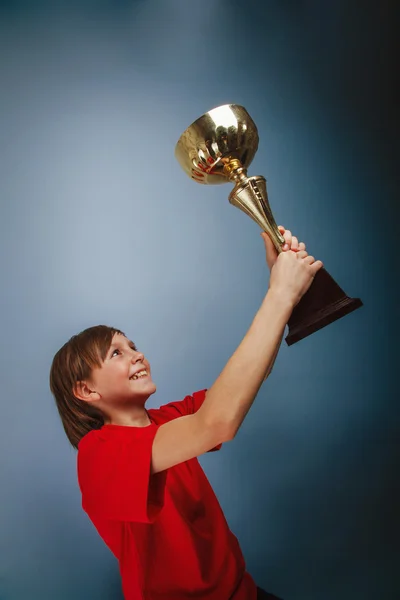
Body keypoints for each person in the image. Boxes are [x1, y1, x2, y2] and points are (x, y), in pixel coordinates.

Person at [49, 226, 323, 600]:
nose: (137, 354)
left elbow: (241, 385)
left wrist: (288, 296)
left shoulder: (167, 420)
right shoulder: (98, 455)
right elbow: (218, 423)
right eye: (117, 353)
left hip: (243, 592)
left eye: (133, 346)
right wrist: (280, 295)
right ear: (86, 390)